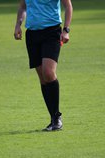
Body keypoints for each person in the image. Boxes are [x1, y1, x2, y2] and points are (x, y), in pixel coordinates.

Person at [14, 0, 73, 131]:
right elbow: (23, 6)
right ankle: (53, 119)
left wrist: (66, 30)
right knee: (42, 78)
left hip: (52, 32)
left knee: (48, 73)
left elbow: (68, 5)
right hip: (32, 35)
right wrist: (18, 25)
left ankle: (57, 117)